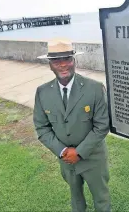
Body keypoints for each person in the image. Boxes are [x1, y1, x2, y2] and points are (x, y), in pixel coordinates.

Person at [33, 38, 111, 212]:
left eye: (67, 59)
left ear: (74, 61)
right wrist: (62, 151)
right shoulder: (42, 93)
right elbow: (42, 128)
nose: (63, 65)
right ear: (50, 65)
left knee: (102, 199)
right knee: (76, 200)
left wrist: (80, 152)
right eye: (56, 60)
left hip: (93, 159)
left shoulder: (95, 88)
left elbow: (102, 126)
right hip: (66, 160)